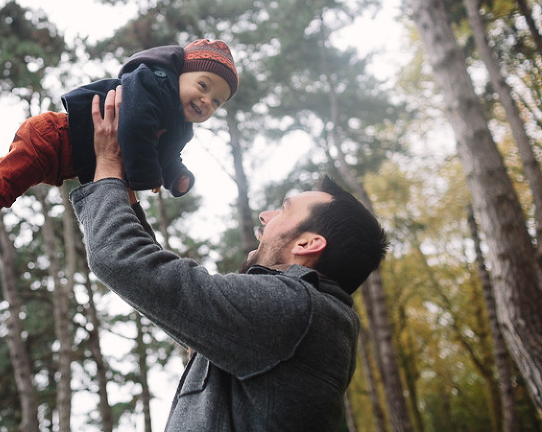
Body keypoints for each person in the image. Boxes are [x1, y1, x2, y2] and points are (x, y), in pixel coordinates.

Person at [70, 87, 389, 431]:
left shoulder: (294, 310)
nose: (265, 216)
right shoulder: (293, 322)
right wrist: (123, 193)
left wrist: (108, 164)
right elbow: (161, 285)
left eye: (283, 210)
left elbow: (121, 260)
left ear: (308, 243)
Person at [0, 39, 238, 281]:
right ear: (178, 73)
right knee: (4, 186)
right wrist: (146, 176)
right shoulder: (151, 84)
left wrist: (176, 176)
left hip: (59, 157)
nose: (206, 100)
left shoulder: (179, 126)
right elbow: (136, 126)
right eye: (203, 85)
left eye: (217, 101)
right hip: (53, 137)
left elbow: (167, 154)